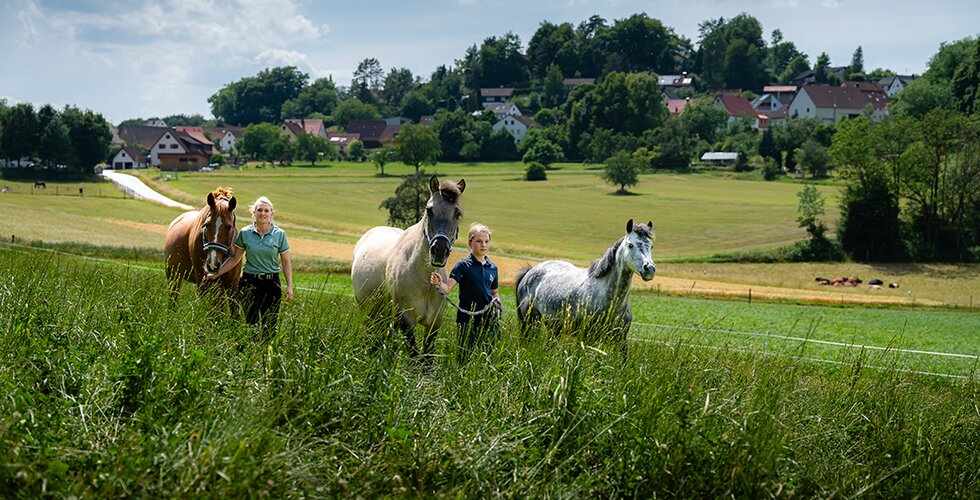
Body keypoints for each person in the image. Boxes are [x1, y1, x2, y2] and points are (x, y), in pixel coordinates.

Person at [206, 195, 293, 337]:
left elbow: (286, 262)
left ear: (271, 214)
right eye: (259, 210)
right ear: (254, 213)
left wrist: (289, 286)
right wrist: (217, 273)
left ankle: (267, 350)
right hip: (250, 283)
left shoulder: (279, 234)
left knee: (270, 326)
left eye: (266, 210)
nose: (263, 213)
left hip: (272, 284)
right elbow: (235, 259)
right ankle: (251, 349)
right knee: (251, 324)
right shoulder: (245, 233)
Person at [431, 223, 501, 362]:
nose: (483, 245)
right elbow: (448, 288)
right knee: (464, 354)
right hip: (466, 317)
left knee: (488, 354)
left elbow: (495, 292)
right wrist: (439, 283)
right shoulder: (462, 265)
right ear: (470, 243)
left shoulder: (493, 268)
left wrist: (497, 301)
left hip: (487, 318)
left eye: (486, 241)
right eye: (479, 241)